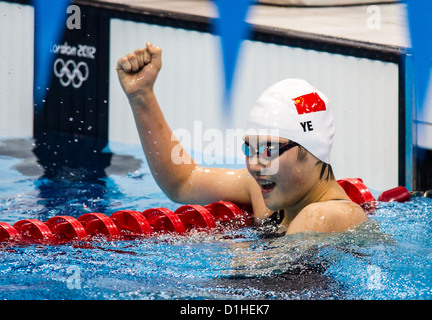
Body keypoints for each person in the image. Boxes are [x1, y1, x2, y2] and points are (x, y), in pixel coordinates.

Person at [116, 42, 368, 235]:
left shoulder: (326, 215)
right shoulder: (268, 196)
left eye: (269, 150)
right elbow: (183, 182)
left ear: (314, 151)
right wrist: (142, 97)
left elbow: (268, 279)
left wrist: (229, 250)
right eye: (250, 149)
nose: (255, 165)